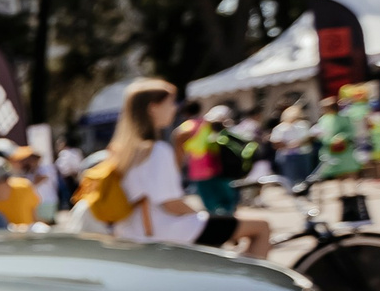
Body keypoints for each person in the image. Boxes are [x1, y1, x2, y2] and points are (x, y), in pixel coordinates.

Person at [95, 78, 272, 258]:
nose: (174, 108)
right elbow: (171, 204)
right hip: (168, 229)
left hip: (133, 230)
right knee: (261, 227)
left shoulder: (123, 151)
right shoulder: (156, 150)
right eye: (170, 103)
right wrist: (200, 215)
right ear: (153, 107)